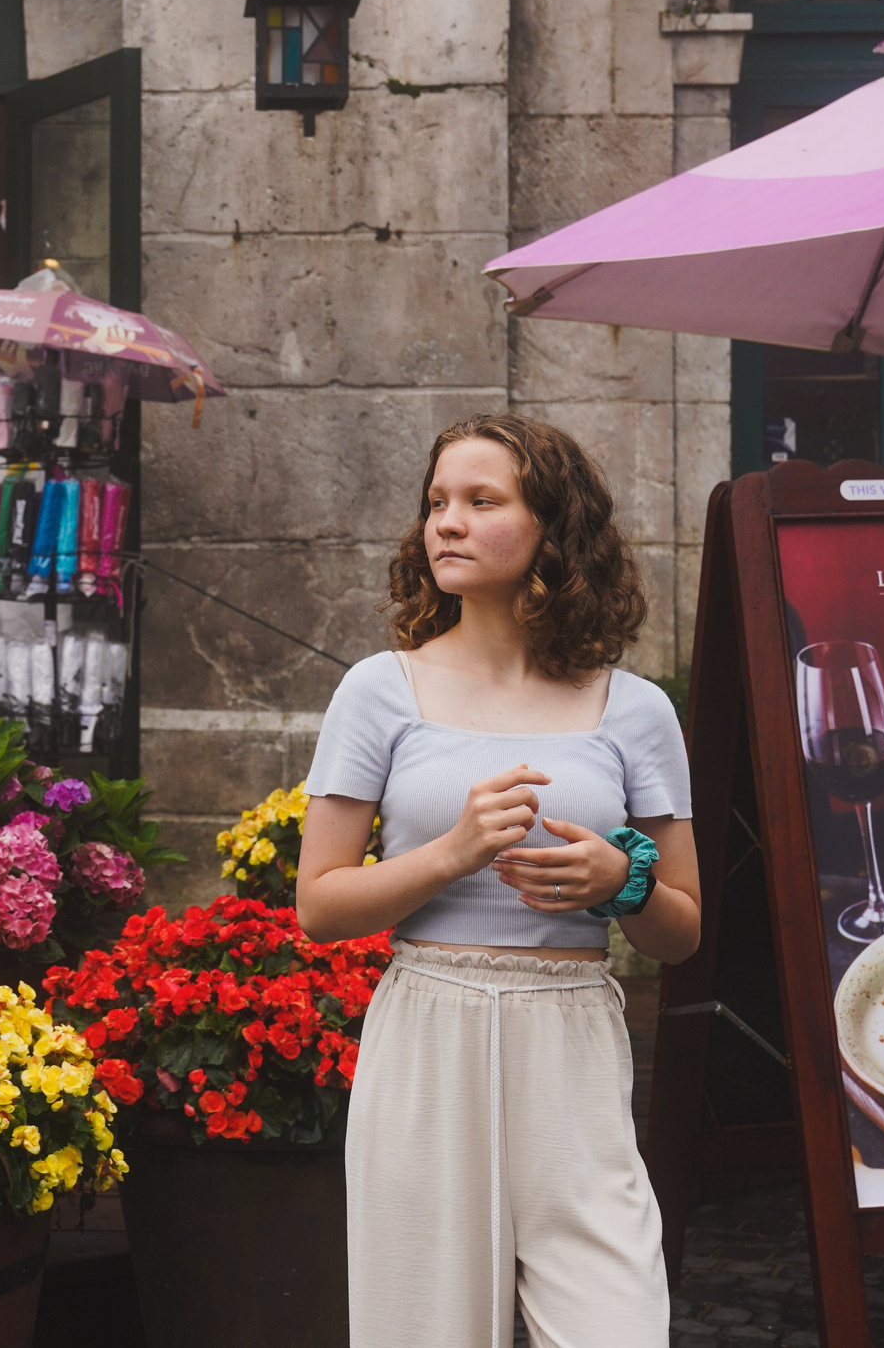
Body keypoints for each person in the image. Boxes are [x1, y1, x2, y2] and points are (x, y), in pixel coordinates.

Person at [296, 413, 699, 1348]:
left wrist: (619, 880)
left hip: (573, 1035)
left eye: (482, 501)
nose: (448, 522)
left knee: (617, 1325)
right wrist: (452, 851)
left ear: (553, 530)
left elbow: (682, 927)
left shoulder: (634, 709)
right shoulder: (379, 690)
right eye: (438, 502)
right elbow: (319, 904)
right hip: (427, 1030)